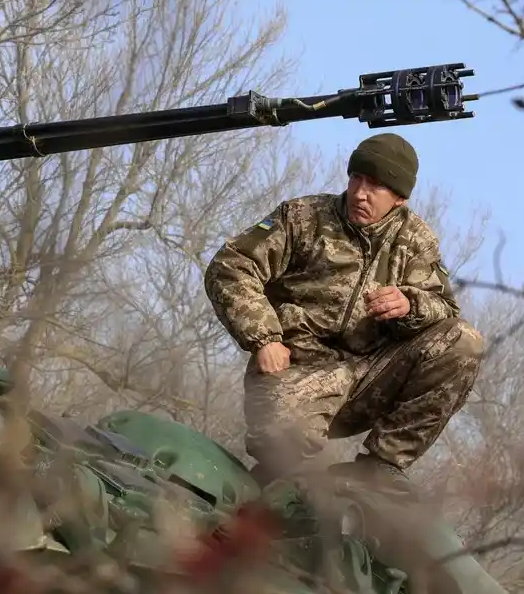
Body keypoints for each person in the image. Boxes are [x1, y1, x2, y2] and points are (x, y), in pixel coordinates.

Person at [203, 132, 485, 496]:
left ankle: (381, 465)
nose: (360, 193)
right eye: (356, 178)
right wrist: (264, 338)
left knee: (463, 342)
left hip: (371, 376)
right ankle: (267, 488)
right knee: (280, 452)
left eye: (376, 186)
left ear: (399, 198)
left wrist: (411, 304)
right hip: (298, 367)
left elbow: (445, 309)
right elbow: (232, 266)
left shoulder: (415, 240)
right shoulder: (304, 217)